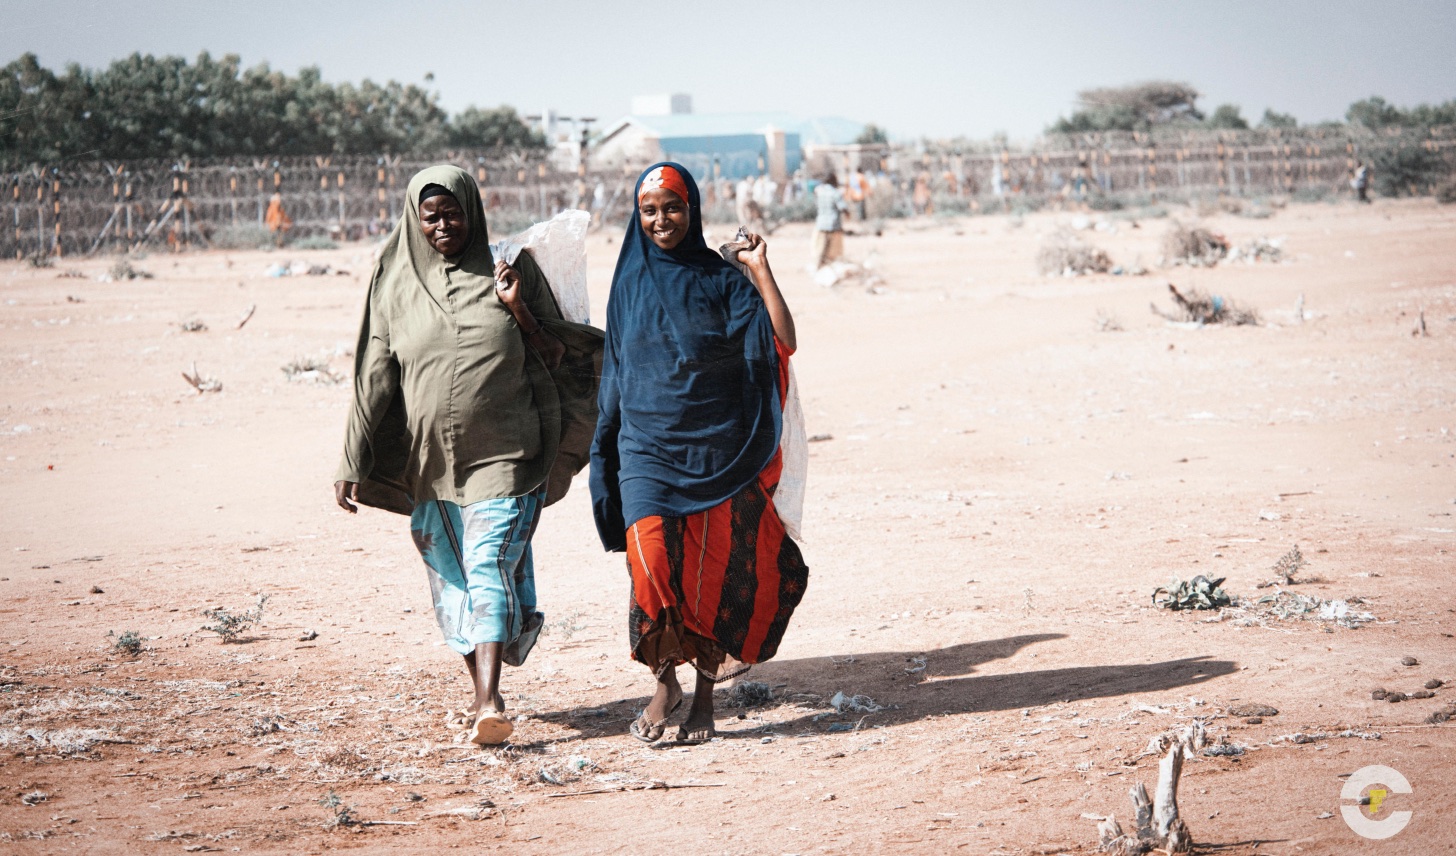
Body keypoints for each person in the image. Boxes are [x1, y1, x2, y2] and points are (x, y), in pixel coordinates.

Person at [333, 165, 602, 746]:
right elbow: (374, 373)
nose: (443, 226)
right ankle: (498, 663)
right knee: (452, 576)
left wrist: (519, 309)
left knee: (486, 564)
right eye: (430, 217)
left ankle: (487, 702)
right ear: (414, 219)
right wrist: (352, 458)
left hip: (510, 453)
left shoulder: (511, 269)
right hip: (431, 464)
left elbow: (557, 354)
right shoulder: (395, 280)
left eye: (453, 213)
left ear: (473, 212)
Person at [590, 163, 808, 745]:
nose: (662, 220)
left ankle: (705, 697)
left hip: (715, 450)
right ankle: (665, 682)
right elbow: (615, 364)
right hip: (645, 450)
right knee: (651, 563)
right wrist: (606, 441)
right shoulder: (628, 280)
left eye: (673, 207)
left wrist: (760, 271)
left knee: (711, 573)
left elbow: (781, 340)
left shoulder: (722, 279)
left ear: (693, 210)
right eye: (650, 210)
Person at [811, 171, 848, 270]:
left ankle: (818, 268)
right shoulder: (835, 193)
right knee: (833, 252)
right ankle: (830, 269)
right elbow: (842, 207)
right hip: (834, 225)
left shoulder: (819, 191)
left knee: (820, 249)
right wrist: (848, 213)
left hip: (821, 224)